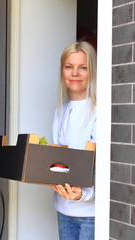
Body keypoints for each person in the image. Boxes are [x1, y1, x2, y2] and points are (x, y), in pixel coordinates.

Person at [51, 41, 97, 240]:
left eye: (83, 67)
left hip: (91, 214)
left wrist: (84, 195)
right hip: (64, 210)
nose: (75, 73)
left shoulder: (99, 112)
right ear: (62, 71)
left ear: (92, 71)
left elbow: (103, 166)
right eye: (69, 67)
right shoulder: (60, 112)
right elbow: (58, 160)